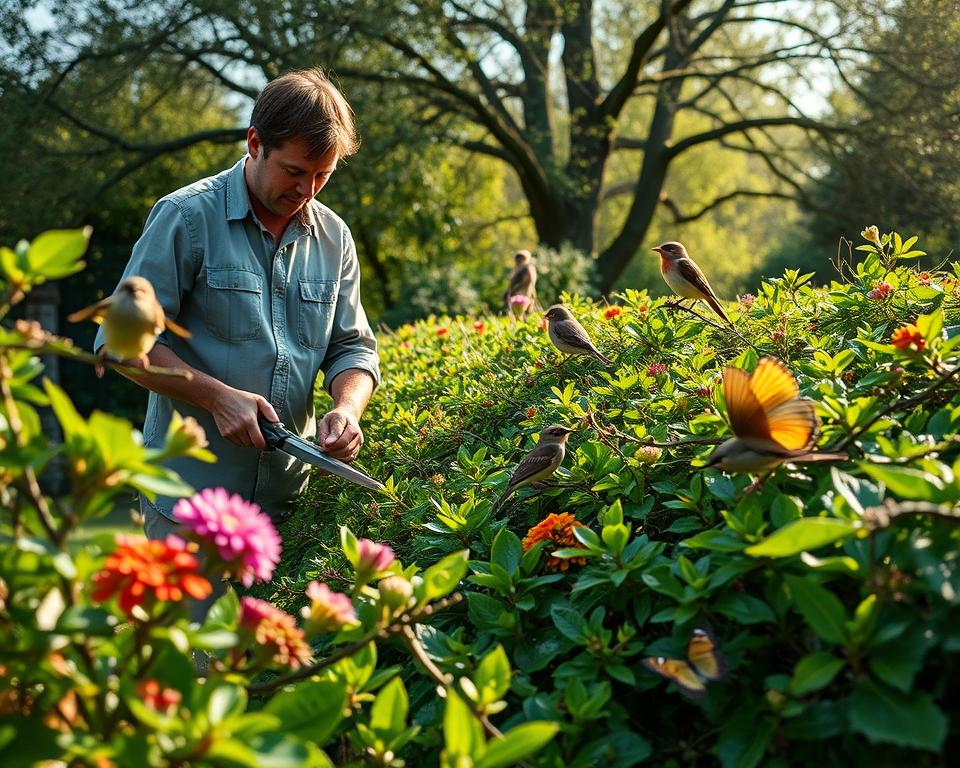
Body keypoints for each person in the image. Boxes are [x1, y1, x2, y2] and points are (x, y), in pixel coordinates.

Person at [95, 68, 381, 619]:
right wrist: (215, 397)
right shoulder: (185, 217)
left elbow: (353, 348)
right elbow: (119, 344)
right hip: (189, 512)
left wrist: (347, 408)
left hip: (289, 514)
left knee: (275, 667)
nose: (306, 191)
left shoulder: (335, 237)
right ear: (254, 143)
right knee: (195, 669)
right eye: (294, 171)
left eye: (322, 176)